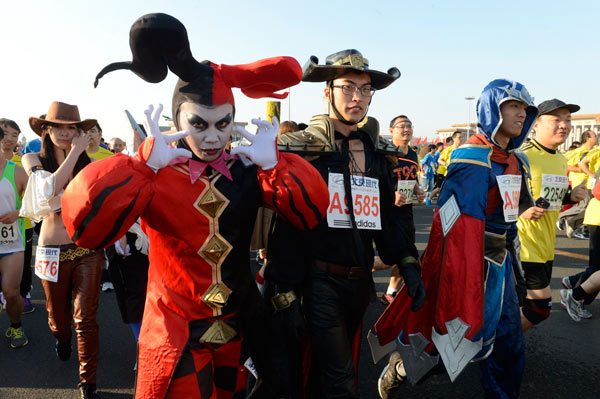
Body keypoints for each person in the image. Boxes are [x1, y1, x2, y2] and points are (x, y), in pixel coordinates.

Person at [60, 13, 328, 399]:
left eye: (224, 124)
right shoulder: (152, 172)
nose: (215, 137)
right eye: (200, 125)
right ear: (176, 119)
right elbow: (87, 229)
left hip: (239, 326)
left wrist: (275, 164)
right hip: (176, 328)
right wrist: (140, 167)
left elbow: (311, 213)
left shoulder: (249, 168)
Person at [276, 49, 425, 398]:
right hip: (317, 281)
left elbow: (392, 216)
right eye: (347, 87)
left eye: (365, 89)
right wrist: (283, 289)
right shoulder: (298, 148)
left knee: (327, 375)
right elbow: (282, 221)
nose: (357, 97)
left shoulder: (379, 152)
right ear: (327, 91)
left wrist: (408, 262)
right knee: (342, 382)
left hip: (360, 283)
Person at [376, 79, 538, 399]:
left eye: (525, 108)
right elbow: (449, 223)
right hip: (464, 264)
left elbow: (515, 210)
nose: (521, 114)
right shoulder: (471, 155)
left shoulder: (518, 160)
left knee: (507, 346)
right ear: (494, 109)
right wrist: (450, 269)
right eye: (513, 106)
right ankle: (402, 367)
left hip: (499, 263)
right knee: (452, 342)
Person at [20, 101, 103, 398]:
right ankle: (62, 337)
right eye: (59, 127)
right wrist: (78, 151)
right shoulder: (31, 158)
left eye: (72, 128)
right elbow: (51, 189)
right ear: (47, 129)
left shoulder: (88, 164)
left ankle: (87, 381)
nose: (66, 133)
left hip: (87, 250)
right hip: (50, 251)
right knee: (59, 321)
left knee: (87, 319)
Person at [516, 99, 588, 332]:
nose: (564, 125)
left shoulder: (560, 158)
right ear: (535, 124)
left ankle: (501, 347)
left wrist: (571, 196)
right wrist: (521, 209)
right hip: (524, 245)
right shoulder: (521, 156)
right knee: (538, 309)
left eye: (567, 120)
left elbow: (550, 196)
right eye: (556, 119)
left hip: (547, 245)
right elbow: (497, 192)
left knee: (521, 304)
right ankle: (495, 345)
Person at [380, 115, 425, 304]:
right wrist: (392, 195)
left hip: (406, 212)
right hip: (387, 212)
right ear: (392, 131)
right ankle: (357, 271)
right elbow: (376, 180)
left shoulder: (413, 154)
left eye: (409, 126)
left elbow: (411, 177)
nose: (406, 129)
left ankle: (390, 292)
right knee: (396, 256)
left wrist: (418, 190)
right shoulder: (384, 153)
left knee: (409, 255)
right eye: (401, 126)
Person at [0, 118, 35, 314]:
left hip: (17, 233)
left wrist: (18, 213)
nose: (9, 139)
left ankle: (23, 297)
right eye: (5, 134)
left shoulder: (21, 165)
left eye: (14, 135)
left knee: (13, 288)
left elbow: (37, 202)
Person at [561, 147, 600, 317]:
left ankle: (573, 288)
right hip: (597, 217)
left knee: (597, 266)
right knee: (597, 266)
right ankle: (576, 297)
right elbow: (598, 190)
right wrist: (590, 176)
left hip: (595, 215)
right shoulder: (593, 150)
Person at [0, 125, 29, 348]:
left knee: (11, 293)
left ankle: (16, 326)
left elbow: (36, 204)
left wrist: (17, 213)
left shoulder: (17, 171)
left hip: (11, 242)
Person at [557, 129, 597, 238]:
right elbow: (564, 162)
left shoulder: (592, 150)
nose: (597, 137)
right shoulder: (579, 150)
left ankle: (573, 224)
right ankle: (563, 217)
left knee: (587, 207)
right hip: (579, 183)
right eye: (594, 135)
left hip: (589, 182)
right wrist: (582, 170)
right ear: (588, 138)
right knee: (585, 207)